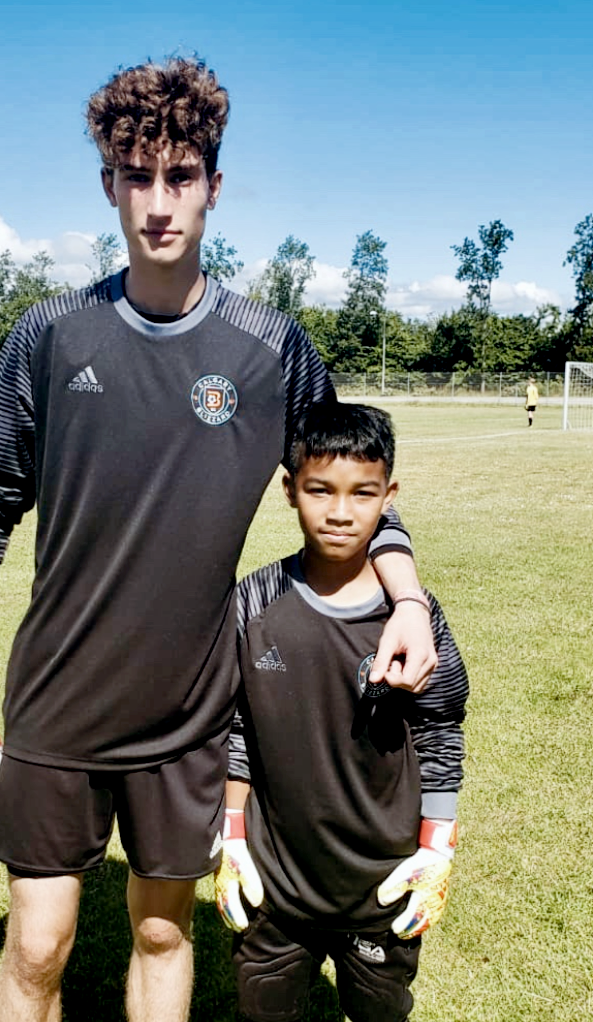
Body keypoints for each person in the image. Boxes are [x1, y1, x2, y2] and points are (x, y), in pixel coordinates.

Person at [0, 58, 437, 1022]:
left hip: (189, 706)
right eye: (137, 177)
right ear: (108, 185)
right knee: (40, 946)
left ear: (213, 186)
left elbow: (351, 480)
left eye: (180, 177)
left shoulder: (272, 347)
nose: (158, 202)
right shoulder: (50, 335)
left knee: (162, 931)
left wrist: (409, 598)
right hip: (55, 696)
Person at [215, 401, 468, 1022]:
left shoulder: (414, 618)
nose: (339, 512)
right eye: (319, 490)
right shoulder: (254, 602)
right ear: (289, 490)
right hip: (277, 882)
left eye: (363, 493)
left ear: (390, 496)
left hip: (383, 881)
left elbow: (440, 729)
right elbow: (236, 726)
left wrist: (436, 849)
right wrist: (233, 835)